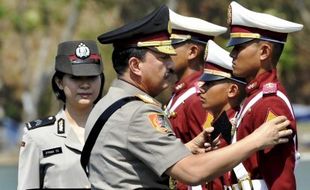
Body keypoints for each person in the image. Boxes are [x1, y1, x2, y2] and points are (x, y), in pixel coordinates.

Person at [83, 5, 293, 190]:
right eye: (163, 58)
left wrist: (185, 149)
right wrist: (256, 140)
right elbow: (192, 173)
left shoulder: (106, 104)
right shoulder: (137, 111)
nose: (169, 65)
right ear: (136, 66)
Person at [226, 1, 303, 189]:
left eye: (238, 47)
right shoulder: (254, 98)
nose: (232, 55)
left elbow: (281, 180)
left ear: (264, 51)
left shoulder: (270, 103)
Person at [17, 40, 104, 189]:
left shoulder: (116, 127)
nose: (85, 85)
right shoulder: (38, 136)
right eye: (76, 78)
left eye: (92, 77)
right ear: (59, 82)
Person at [165, 10, 227, 190]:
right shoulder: (181, 93)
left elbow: (211, 160)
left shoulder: (197, 98)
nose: (165, 54)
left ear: (192, 52)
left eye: (171, 47)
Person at [198, 40, 247, 190]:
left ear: (232, 90)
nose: (201, 88)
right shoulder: (219, 127)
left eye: (209, 84)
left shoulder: (233, 128)